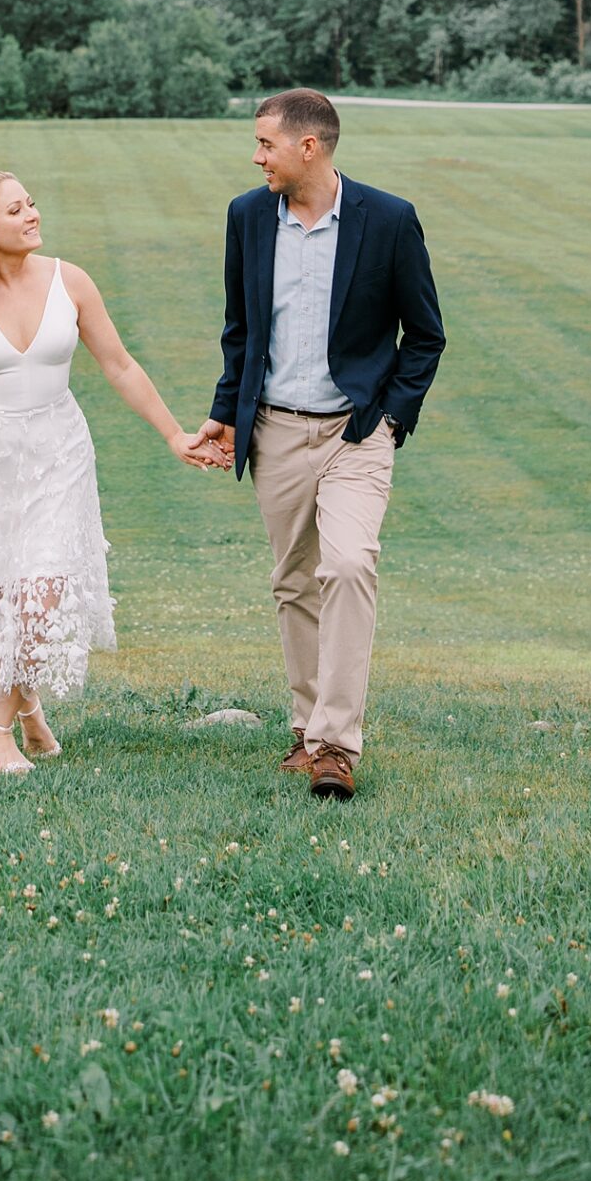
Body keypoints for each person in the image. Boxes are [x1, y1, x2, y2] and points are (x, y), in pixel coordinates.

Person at [0, 170, 224, 774]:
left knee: (43, 592)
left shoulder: (72, 282)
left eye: (31, 204)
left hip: (60, 451)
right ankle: (32, 709)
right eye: (16, 211)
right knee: (6, 597)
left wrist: (174, 435)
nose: (32, 215)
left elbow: (119, 365)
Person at [187, 89, 445, 800]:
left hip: (353, 432)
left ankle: (336, 745)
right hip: (273, 428)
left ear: (310, 147)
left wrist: (388, 417)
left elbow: (424, 335)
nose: (255, 155)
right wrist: (225, 414)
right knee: (294, 582)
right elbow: (239, 329)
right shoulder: (246, 216)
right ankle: (306, 731)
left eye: (265, 143)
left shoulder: (388, 220)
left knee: (348, 563)